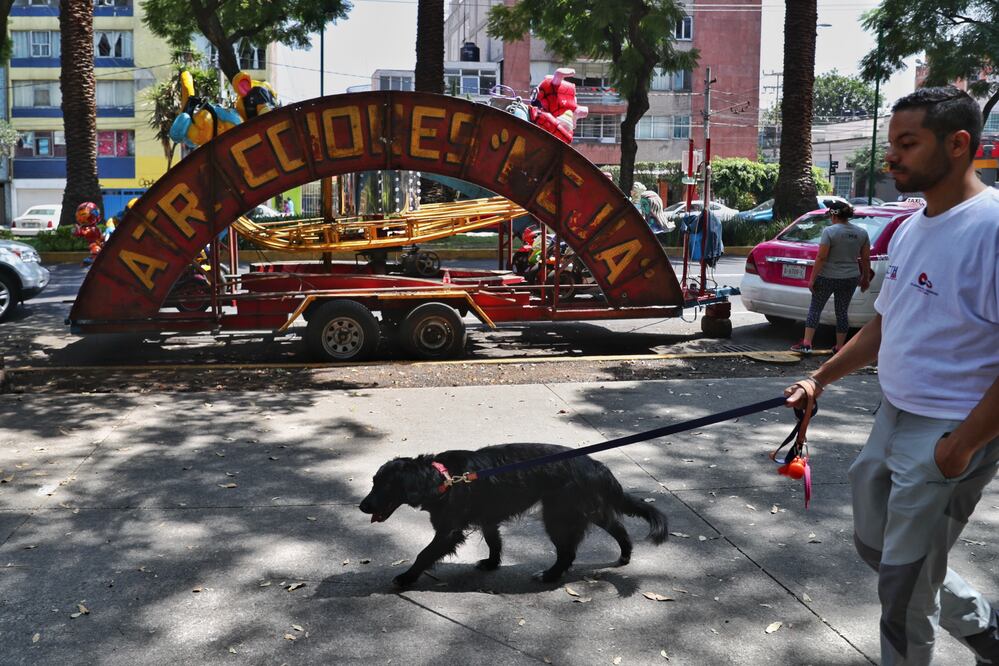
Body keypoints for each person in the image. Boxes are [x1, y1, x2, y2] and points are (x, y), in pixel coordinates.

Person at [784, 86, 999, 665]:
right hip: (894, 415)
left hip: (952, 429)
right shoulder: (911, 227)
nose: (891, 158)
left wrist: (964, 445)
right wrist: (820, 379)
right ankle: (989, 632)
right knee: (877, 546)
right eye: (891, 144)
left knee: (902, 594)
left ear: (958, 145)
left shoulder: (993, 227)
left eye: (907, 143)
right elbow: (884, 325)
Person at [790, 200, 871, 354]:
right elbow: (865, 258)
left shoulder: (829, 231)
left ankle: (807, 344)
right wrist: (865, 277)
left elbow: (821, 257)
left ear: (833, 215)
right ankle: (839, 347)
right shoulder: (862, 233)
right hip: (850, 278)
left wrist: (812, 279)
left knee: (815, 308)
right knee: (842, 311)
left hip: (827, 276)